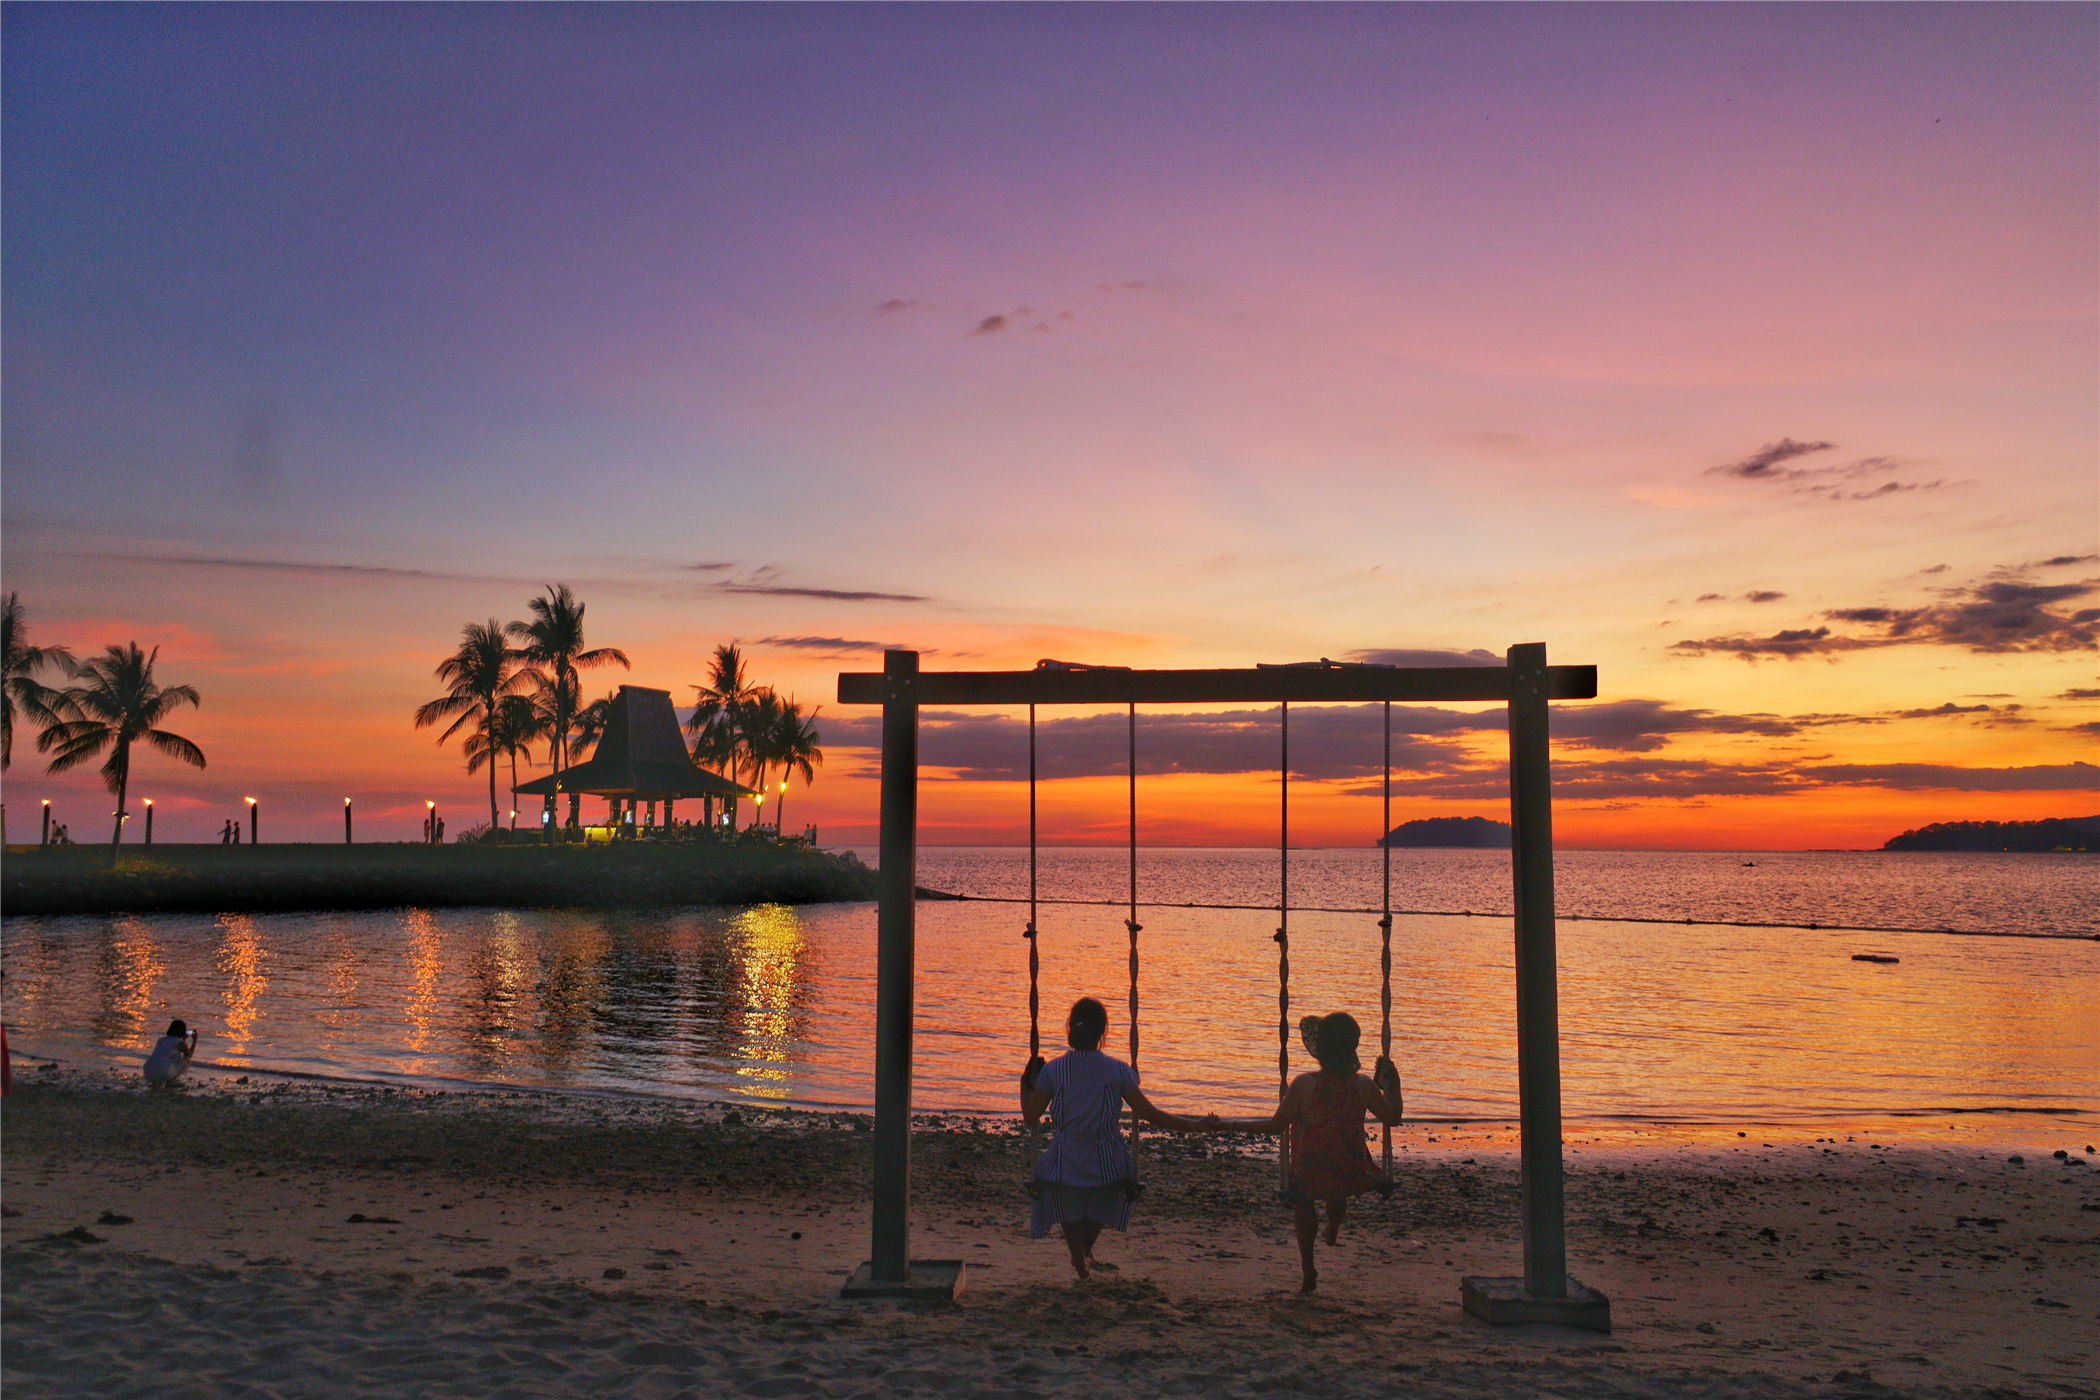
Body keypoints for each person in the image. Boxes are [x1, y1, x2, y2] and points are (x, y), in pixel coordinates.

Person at [1203, 1011, 1403, 1293]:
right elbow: (1393, 1116)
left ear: (1320, 1050)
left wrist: (1230, 1125)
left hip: (1310, 1170)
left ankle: (1308, 1266)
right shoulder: (1364, 1086)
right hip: (1350, 1169)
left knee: (1303, 1201)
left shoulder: (1304, 1085)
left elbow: (1275, 1126)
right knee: (1339, 1186)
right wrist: (1393, 1083)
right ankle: (1333, 1225)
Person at [1020, 996, 1202, 1281]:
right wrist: (1195, 1125)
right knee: (1117, 1187)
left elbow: (1030, 1116)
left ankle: (1079, 1256)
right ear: (1102, 1033)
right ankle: (1082, 1251)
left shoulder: (1054, 1070)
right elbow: (1149, 1113)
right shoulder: (1117, 1070)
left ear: (1070, 1029)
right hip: (1107, 1160)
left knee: (1060, 1190)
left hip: (1064, 1158)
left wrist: (1026, 1084)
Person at [143, 1019, 199, 1086]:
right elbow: (189, 1055)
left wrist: (184, 1040)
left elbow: (169, 1052)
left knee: (172, 1057)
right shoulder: (180, 1043)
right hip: (163, 1072)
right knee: (187, 1060)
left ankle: (155, 1084)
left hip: (148, 1070)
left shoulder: (161, 1040)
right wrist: (194, 1040)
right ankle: (171, 1081)